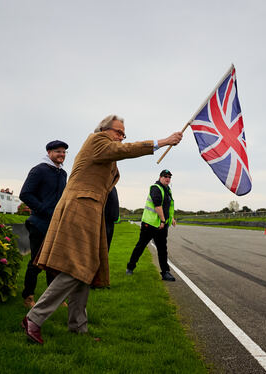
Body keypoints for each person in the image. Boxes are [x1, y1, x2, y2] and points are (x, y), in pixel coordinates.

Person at [21, 114, 182, 344]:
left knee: (86, 267)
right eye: (118, 132)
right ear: (104, 129)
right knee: (76, 267)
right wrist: (163, 141)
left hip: (91, 212)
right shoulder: (95, 141)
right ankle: (34, 319)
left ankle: (78, 327)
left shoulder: (107, 154)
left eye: (124, 135)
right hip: (80, 209)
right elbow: (125, 150)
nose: (121, 137)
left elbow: (117, 157)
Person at [19, 140, 69, 308]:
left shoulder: (63, 174)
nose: (61, 155)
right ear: (49, 152)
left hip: (56, 225)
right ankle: (28, 296)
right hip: (39, 223)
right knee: (36, 261)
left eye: (64, 152)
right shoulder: (39, 170)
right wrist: (44, 210)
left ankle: (53, 298)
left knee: (54, 263)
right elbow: (25, 194)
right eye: (58, 152)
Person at [126, 169, 176, 281]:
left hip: (162, 226)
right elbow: (157, 206)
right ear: (160, 177)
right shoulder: (155, 188)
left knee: (162, 249)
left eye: (169, 177)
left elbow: (167, 207)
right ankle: (130, 267)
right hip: (150, 224)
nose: (167, 178)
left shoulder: (167, 190)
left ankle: (165, 272)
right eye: (165, 176)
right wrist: (163, 220)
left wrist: (171, 218)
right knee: (141, 246)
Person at [104, 186, 119, 251]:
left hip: (110, 221)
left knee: (106, 248)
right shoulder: (106, 185)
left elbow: (115, 202)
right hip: (105, 220)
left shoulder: (112, 186)